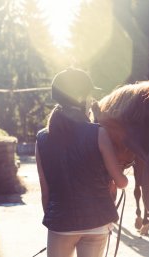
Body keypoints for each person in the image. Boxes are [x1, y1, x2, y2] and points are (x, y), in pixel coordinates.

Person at [35, 68, 130, 257]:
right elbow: (121, 183)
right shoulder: (98, 133)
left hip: (60, 223)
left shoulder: (42, 139)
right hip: (97, 222)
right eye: (89, 94)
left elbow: (46, 193)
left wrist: (57, 223)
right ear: (80, 97)